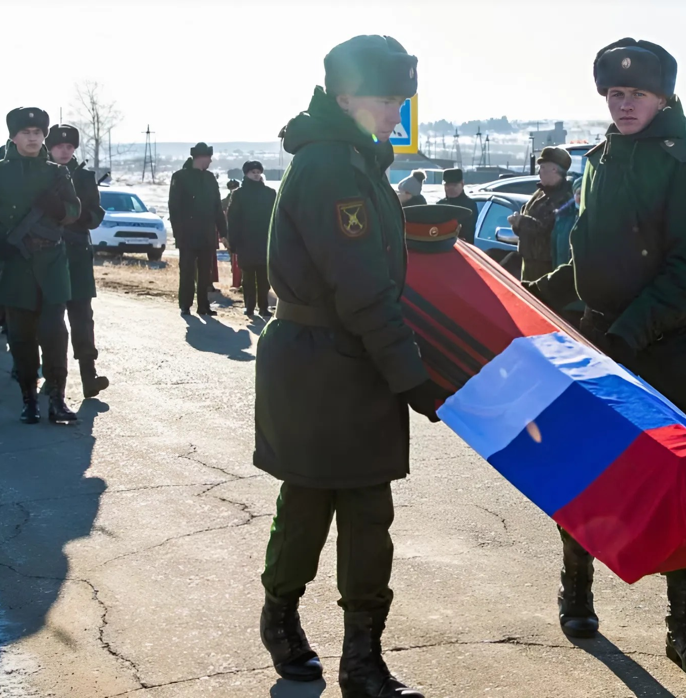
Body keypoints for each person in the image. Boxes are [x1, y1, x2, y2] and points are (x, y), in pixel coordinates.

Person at [526, 38, 686, 679]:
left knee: (681, 491)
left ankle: (683, 627)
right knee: (583, 474)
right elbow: (589, 257)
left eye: (637, 93)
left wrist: (626, 336)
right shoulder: (600, 161)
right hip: (600, 346)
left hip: (667, 355)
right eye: (615, 93)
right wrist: (534, 294)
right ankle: (577, 589)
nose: (624, 104)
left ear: (664, 97)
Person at [255, 35, 446, 698]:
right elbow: (362, 287)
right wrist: (412, 376)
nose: (396, 113)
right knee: (307, 504)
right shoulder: (332, 167)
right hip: (318, 367)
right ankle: (281, 617)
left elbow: (377, 275)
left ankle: (362, 661)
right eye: (386, 100)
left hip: (354, 359)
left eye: (401, 101)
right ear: (344, 97)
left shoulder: (356, 161)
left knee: (367, 514)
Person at [0, 107, 81, 425]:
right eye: (26, 133)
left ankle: (57, 399)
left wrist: (59, 209)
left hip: (51, 263)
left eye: (38, 133)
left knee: (55, 333)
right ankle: (29, 399)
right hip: (14, 265)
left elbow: (75, 211)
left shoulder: (57, 173)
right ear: (13, 137)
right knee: (22, 337)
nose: (32, 138)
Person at [44, 123, 109, 399]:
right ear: (49, 148)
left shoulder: (84, 176)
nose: (64, 151)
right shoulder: (41, 174)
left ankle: (88, 374)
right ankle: (52, 376)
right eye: (59, 146)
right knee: (51, 319)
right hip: (46, 254)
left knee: (82, 316)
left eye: (69, 146)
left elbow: (96, 213)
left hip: (78, 253)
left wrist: (79, 215)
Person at [168, 142, 227, 316]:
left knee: (205, 273)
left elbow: (217, 208)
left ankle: (203, 306)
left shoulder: (210, 178)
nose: (210, 161)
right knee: (187, 271)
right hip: (187, 234)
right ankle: (185, 305)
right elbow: (174, 207)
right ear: (201, 158)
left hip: (207, 234)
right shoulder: (180, 177)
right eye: (209, 158)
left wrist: (223, 233)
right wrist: (178, 233)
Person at [509, 146, 573, 281]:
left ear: (554, 169)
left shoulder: (565, 197)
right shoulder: (540, 193)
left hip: (547, 266)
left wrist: (521, 221)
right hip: (529, 261)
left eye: (543, 167)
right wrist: (516, 223)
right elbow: (527, 218)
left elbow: (549, 227)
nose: (539, 171)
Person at [225, 161, 275, 317]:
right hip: (245, 241)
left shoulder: (269, 193)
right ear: (246, 174)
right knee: (248, 277)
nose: (256, 175)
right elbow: (233, 219)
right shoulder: (239, 194)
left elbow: (276, 217)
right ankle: (249, 306)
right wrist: (233, 242)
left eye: (258, 172)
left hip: (264, 240)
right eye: (253, 172)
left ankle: (264, 306)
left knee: (264, 278)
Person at [436, 168, 478, 242]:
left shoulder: (469, 205)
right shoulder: (440, 205)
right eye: (447, 185)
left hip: (463, 246)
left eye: (454, 185)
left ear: (462, 184)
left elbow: (469, 231)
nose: (450, 188)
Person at [552, 176, 582, 267]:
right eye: (579, 193)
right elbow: (554, 247)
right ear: (574, 195)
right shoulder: (563, 216)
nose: (581, 197)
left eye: (584, 193)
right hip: (562, 268)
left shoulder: (592, 217)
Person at [223, 178, 243, 289]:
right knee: (232, 256)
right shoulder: (224, 202)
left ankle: (240, 280)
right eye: (231, 187)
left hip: (238, 232)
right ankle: (237, 279)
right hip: (228, 232)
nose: (233, 189)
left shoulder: (240, 198)